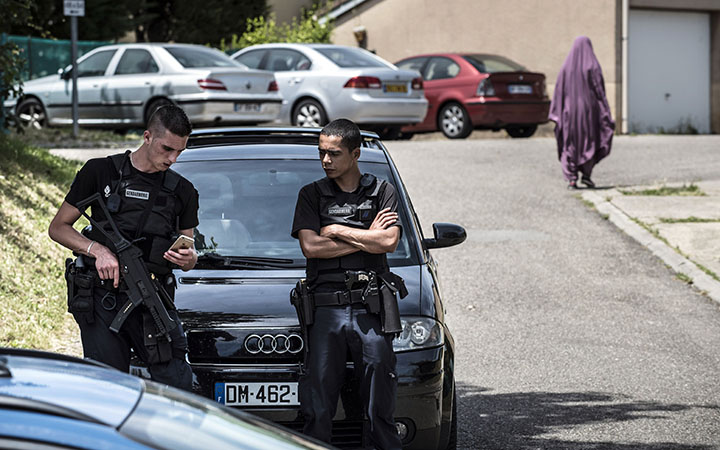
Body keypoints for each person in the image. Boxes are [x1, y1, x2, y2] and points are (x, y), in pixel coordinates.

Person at [48, 105, 199, 390]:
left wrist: (188, 258)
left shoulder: (184, 191)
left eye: (180, 152)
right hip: (103, 300)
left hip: (152, 299)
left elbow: (188, 252)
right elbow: (58, 228)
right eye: (167, 148)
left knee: (178, 388)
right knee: (106, 391)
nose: (173, 159)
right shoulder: (100, 172)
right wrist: (97, 250)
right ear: (146, 137)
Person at [291, 119, 403, 450]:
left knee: (379, 404)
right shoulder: (311, 194)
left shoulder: (382, 190)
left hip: (370, 307)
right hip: (325, 308)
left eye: (334, 154)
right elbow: (311, 247)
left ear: (355, 154)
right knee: (318, 405)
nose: (326, 161)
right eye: (322, 153)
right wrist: (368, 236)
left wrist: (338, 230)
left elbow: (390, 242)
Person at [549, 35, 615, 189]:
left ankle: (572, 178)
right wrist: (604, 109)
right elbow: (599, 90)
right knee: (589, 141)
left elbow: (559, 90)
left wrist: (556, 111)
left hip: (569, 112)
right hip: (589, 112)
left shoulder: (566, 67)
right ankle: (586, 175)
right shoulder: (592, 65)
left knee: (570, 142)